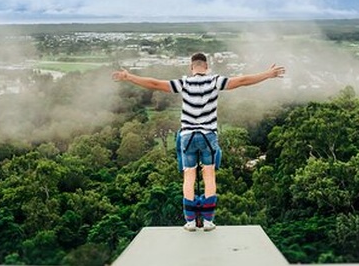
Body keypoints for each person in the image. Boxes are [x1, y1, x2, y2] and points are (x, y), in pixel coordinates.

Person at [112, 52, 285, 231]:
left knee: (189, 176)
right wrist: (267, 74)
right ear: (207, 66)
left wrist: (129, 77)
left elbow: (155, 84)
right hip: (208, 136)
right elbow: (242, 81)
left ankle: (190, 222)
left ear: (191, 66)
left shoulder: (184, 82)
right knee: (209, 174)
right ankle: (208, 221)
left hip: (187, 136)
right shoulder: (214, 81)